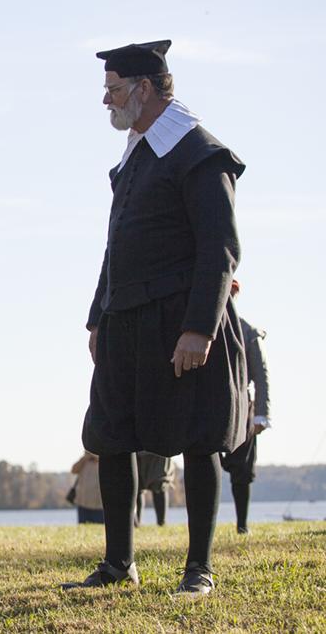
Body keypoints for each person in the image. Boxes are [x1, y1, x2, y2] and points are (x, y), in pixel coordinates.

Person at [65, 40, 247, 596]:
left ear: (144, 89)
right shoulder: (135, 155)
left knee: (197, 438)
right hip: (125, 319)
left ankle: (199, 570)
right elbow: (114, 246)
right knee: (111, 435)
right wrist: (98, 317)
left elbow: (220, 247)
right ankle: (118, 564)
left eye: (114, 89)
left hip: (180, 319)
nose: (105, 100)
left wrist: (200, 327)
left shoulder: (198, 151)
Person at [220, 280, 271, 534]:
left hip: (242, 405)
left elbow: (261, 375)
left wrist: (262, 413)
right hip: (208, 403)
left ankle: (242, 524)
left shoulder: (248, 331)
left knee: (242, 469)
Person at [135, 452, 175, 526]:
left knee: (160, 482)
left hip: (159, 448)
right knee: (136, 486)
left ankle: (161, 523)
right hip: (137, 448)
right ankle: (136, 523)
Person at [71, 452, 104, 524]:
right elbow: (73, 470)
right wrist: (84, 458)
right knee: (82, 527)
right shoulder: (83, 461)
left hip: (99, 506)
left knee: (100, 528)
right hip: (83, 504)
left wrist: (95, 455)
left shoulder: (102, 461)